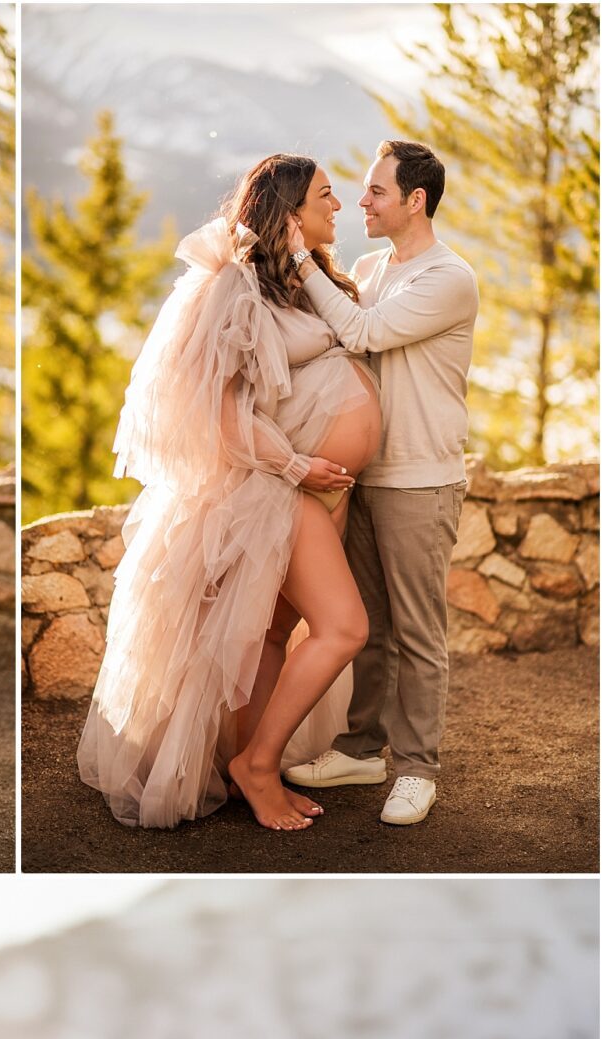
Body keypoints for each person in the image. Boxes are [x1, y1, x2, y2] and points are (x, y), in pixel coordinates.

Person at [77, 156, 383, 834]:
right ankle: (257, 765)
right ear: (290, 211)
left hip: (318, 489)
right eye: (326, 197)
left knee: (273, 632)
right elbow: (215, 411)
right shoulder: (234, 288)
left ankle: (252, 762)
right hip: (277, 487)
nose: (339, 207)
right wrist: (298, 465)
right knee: (343, 629)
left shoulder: (309, 283)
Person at [284, 139, 478, 827]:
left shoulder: (448, 278)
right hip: (362, 478)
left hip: (421, 481)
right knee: (365, 625)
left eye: (375, 192)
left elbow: (360, 333)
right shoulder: (371, 265)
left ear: (414, 201)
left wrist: (300, 258)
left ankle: (418, 768)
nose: (360, 202)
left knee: (420, 632)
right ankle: (363, 748)